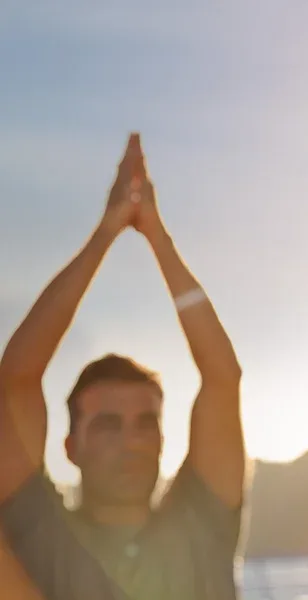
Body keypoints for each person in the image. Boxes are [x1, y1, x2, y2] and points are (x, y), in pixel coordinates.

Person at [0, 133, 246, 600]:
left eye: (145, 422)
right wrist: (106, 233)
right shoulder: (39, 533)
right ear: (71, 446)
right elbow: (16, 380)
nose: (132, 440)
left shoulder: (203, 524)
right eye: (109, 425)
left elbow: (222, 378)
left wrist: (158, 235)